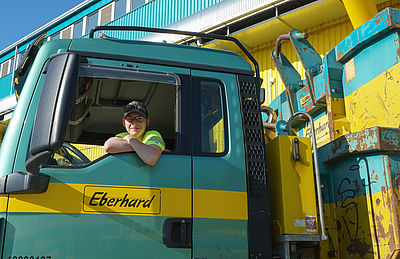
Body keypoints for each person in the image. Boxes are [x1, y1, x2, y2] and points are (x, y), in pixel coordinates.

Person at [104, 100, 165, 166]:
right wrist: (143, 149)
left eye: (139, 119)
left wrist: (130, 139)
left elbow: (151, 158)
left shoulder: (152, 135)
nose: (135, 123)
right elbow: (108, 146)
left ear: (147, 121)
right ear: (124, 123)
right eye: (130, 119)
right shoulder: (122, 135)